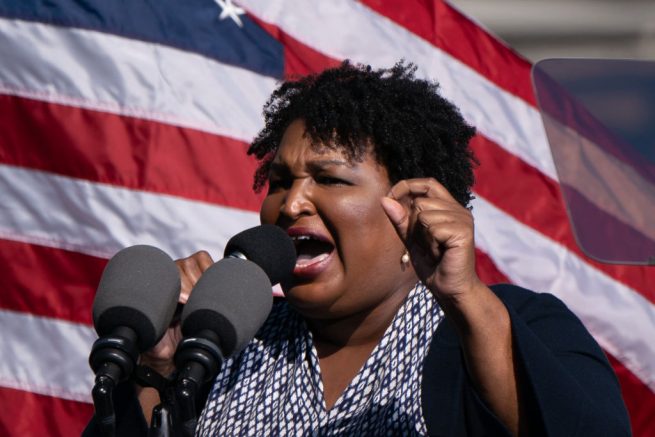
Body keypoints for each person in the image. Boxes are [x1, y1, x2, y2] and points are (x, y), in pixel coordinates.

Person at [84, 61, 631, 436]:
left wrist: (465, 297)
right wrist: (158, 369)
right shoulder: (226, 344)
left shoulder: (515, 323)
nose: (293, 202)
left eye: (332, 179)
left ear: (414, 207)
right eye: (279, 180)